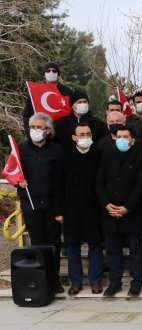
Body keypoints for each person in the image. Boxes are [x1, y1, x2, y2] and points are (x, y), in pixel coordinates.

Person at [96, 124, 142, 297]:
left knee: (135, 250)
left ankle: (136, 282)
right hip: (110, 212)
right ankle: (114, 282)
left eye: (125, 137)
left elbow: (141, 185)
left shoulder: (140, 157)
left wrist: (127, 207)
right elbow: (99, 183)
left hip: (131, 212)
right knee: (112, 251)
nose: (122, 140)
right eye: (119, 137)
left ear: (132, 140)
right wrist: (106, 205)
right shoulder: (106, 156)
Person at [53, 122, 103, 296]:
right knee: (72, 246)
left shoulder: (99, 155)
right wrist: (58, 211)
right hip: (71, 209)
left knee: (95, 245)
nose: (85, 138)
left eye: (88, 134)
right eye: (81, 135)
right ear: (74, 137)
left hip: (94, 208)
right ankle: (76, 282)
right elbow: (58, 185)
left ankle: (95, 281)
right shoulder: (65, 157)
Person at [17, 113, 63, 293]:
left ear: (48, 130)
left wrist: (60, 208)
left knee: (53, 243)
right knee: (36, 242)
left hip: (52, 203)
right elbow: (12, 171)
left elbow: (62, 180)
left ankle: (54, 279)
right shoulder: (20, 149)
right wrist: (17, 182)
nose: (35, 130)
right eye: (32, 127)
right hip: (30, 202)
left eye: (39, 127)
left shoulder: (57, 150)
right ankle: (39, 280)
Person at [23, 62, 73, 132]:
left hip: (64, 132)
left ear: (58, 74)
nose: (51, 72)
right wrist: (29, 132)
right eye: (48, 71)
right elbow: (27, 114)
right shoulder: (35, 91)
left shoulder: (67, 91)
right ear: (44, 75)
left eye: (54, 71)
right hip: (42, 132)